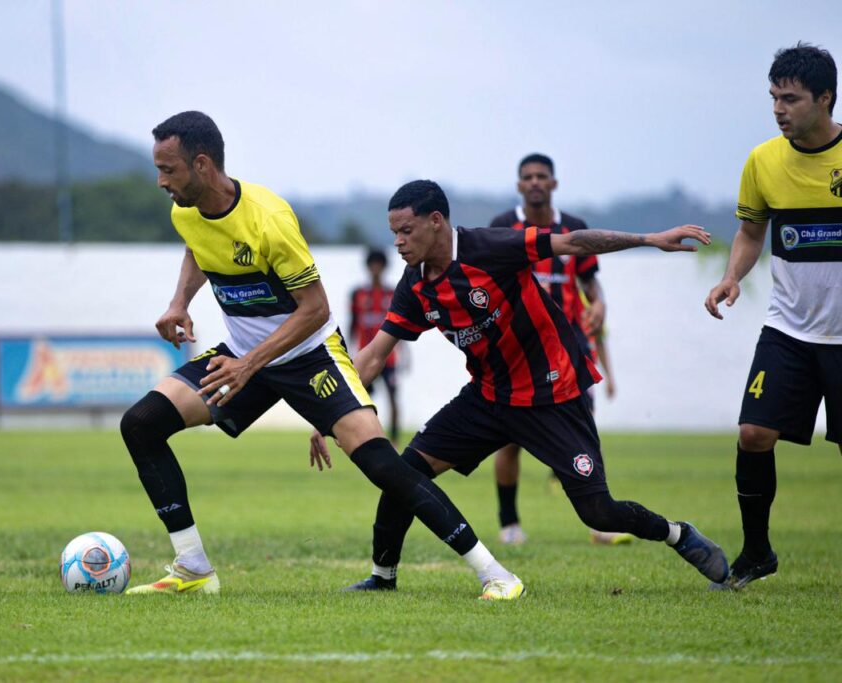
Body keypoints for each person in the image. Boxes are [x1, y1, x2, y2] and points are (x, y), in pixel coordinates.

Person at [120, 111, 519, 600]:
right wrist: (180, 301)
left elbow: (316, 309)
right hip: (244, 359)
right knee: (141, 423)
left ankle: (495, 573)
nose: (161, 181)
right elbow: (198, 247)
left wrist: (249, 364)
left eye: (168, 169)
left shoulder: (269, 218)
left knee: (383, 466)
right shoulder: (186, 210)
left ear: (201, 165)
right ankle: (193, 568)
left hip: (309, 354)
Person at [312, 180, 729, 596]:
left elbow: (573, 242)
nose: (399, 243)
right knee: (404, 475)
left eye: (406, 231)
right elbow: (372, 354)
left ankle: (677, 533)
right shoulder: (415, 284)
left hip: (553, 394)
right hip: (489, 397)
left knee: (598, 512)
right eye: (394, 234)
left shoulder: (489, 248)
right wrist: (333, 410)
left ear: (436, 221)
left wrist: (649, 238)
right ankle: (382, 578)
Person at [704, 43, 842, 591]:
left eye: (791, 99)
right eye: (773, 98)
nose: (779, 109)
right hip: (788, 329)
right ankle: (757, 551)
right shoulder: (762, 160)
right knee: (754, 432)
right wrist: (733, 275)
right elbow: (751, 231)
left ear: (825, 99)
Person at [488, 154, 627, 545]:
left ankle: (601, 521)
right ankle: (508, 522)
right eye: (528, 177)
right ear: (518, 185)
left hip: (570, 347)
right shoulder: (503, 227)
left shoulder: (575, 229)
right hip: (517, 347)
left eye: (541, 177)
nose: (534, 182)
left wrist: (598, 304)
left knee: (583, 431)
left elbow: (590, 283)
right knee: (510, 436)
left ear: (554, 183)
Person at [350, 249, 401, 444]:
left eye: (379, 265)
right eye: (373, 265)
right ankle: (365, 438)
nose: (376, 269)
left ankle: (394, 441)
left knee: (393, 399)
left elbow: (402, 325)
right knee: (359, 400)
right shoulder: (358, 294)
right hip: (365, 356)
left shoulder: (393, 293)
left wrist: (405, 355)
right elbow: (353, 324)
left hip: (389, 358)